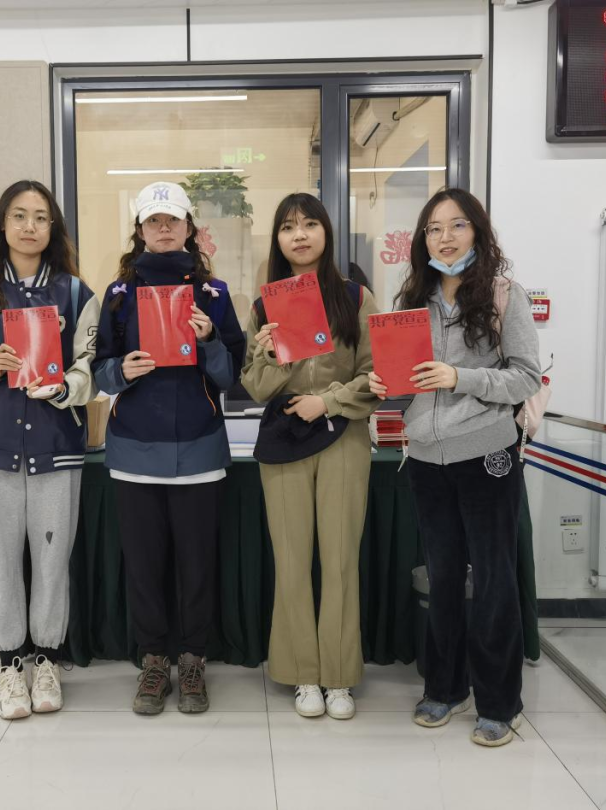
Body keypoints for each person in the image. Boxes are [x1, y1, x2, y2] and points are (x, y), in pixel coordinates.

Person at [369, 187, 541, 747]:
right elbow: (404, 387)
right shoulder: (410, 303)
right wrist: (382, 386)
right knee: (442, 578)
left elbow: (525, 377)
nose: (445, 237)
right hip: (425, 457)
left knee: (493, 579)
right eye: (434, 228)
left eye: (457, 225)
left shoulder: (502, 296)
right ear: (423, 240)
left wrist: (458, 377)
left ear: (478, 232)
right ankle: (444, 687)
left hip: (487, 455)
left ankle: (499, 702)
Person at [0, 180, 100, 720]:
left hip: (57, 446)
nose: (30, 226)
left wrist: (65, 387)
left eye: (41, 217)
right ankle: (9, 665)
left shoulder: (76, 294)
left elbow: (90, 366)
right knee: (1, 561)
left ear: (54, 228)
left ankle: (47, 660)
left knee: (53, 560)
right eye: (19, 216)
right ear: (2, 225)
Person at [92, 181, 245, 715]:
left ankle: (194, 660)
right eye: (153, 221)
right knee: (144, 567)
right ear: (139, 230)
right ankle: (154, 661)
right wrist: (122, 370)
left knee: (197, 566)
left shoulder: (214, 294)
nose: (163, 228)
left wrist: (208, 342)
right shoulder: (117, 295)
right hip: (134, 453)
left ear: (188, 227)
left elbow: (232, 375)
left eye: (172, 220)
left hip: (199, 451)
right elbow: (99, 371)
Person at [240, 193, 379, 721]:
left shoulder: (356, 297)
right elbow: (255, 387)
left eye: (309, 224)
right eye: (288, 227)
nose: (299, 235)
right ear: (277, 239)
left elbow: (376, 374)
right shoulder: (263, 307)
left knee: (340, 560)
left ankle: (338, 676)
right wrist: (268, 352)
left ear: (326, 232)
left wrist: (330, 401)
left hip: (343, 437)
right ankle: (303, 673)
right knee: (292, 561)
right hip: (284, 441)